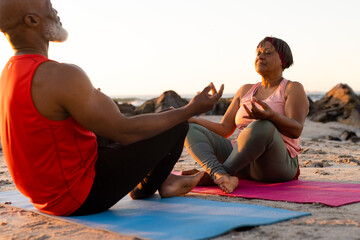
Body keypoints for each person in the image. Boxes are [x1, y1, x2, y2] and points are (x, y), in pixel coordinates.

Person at [0, 0, 224, 216]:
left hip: (42, 195)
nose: (56, 11)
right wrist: (192, 108)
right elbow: (125, 132)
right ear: (32, 20)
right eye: (49, 6)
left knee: (115, 124)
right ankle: (148, 188)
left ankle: (167, 178)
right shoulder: (60, 75)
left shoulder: (9, 72)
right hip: (76, 197)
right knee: (175, 123)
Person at [184, 36, 309, 193]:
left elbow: (296, 130)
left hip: (275, 165)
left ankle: (216, 174)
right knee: (190, 127)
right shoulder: (245, 90)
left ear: (283, 61)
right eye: (258, 53)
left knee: (263, 125)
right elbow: (224, 129)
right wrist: (191, 117)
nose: (260, 56)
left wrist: (271, 116)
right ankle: (220, 173)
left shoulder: (292, 88)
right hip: (242, 162)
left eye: (268, 53)